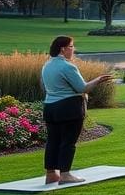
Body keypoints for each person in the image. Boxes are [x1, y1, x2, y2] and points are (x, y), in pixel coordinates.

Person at [41, 36, 112, 184]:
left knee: (53, 141)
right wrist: (98, 80)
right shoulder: (67, 66)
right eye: (72, 46)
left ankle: (51, 174)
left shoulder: (47, 65)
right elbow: (83, 88)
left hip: (50, 108)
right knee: (68, 141)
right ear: (63, 49)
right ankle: (65, 175)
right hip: (68, 108)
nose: (74, 49)